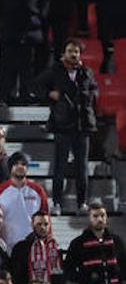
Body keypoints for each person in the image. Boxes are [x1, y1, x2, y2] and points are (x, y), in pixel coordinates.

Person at [35, 40, 97, 215]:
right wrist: (49, 94)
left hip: (82, 124)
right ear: (64, 53)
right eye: (70, 51)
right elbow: (36, 85)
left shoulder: (86, 72)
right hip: (62, 124)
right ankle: (57, 203)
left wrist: (88, 99)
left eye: (76, 51)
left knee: (82, 167)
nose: (74, 54)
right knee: (60, 166)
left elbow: (94, 90)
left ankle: (82, 203)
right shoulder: (54, 71)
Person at [64, 202, 126, 284]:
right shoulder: (78, 243)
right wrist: (84, 282)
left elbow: (124, 266)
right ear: (89, 218)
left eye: (102, 215)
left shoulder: (117, 241)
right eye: (95, 216)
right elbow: (68, 269)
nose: (100, 219)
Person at [0, 152, 49, 252]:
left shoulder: (37, 190)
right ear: (10, 167)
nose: (20, 167)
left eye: (23, 164)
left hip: (33, 248)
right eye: (16, 164)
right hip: (6, 248)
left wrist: (48, 242)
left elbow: (46, 220)